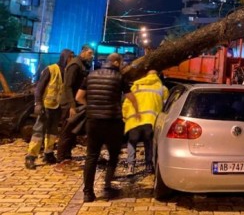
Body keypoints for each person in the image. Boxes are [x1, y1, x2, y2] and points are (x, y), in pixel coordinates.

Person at [76, 53, 139, 202]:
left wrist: (90, 106)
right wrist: (136, 111)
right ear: (116, 62)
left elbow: (78, 97)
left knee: (91, 156)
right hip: (113, 122)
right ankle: (107, 187)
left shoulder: (90, 76)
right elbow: (131, 97)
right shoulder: (119, 77)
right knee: (113, 155)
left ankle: (88, 193)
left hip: (93, 122)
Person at [24, 49, 74, 169]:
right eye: (70, 57)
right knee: (38, 131)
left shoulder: (66, 71)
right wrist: (38, 103)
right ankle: (31, 157)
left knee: (52, 132)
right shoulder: (51, 69)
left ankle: (48, 153)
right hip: (46, 106)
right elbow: (39, 88)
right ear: (65, 57)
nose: (71, 59)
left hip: (57, 107)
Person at [54, 44, 94, 172]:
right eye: (90, 53)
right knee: (66, 131)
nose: (91, 56)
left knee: (71, 132)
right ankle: (61, 160)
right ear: (83, 52)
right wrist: (72, 106)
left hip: (75, 103)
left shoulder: (81, 64)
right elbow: (68, 86)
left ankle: (67, 158)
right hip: (69, 104)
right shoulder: (75, 65)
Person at [122, 70, 168, 175]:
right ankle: (148, 165)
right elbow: (166, 106)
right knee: (149, 142)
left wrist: (125, 117)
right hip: (151, 120)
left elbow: (126, 103)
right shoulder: (162, 89)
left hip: (134, 119)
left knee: (132, 142)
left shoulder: (136, 86)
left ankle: (130, 166)